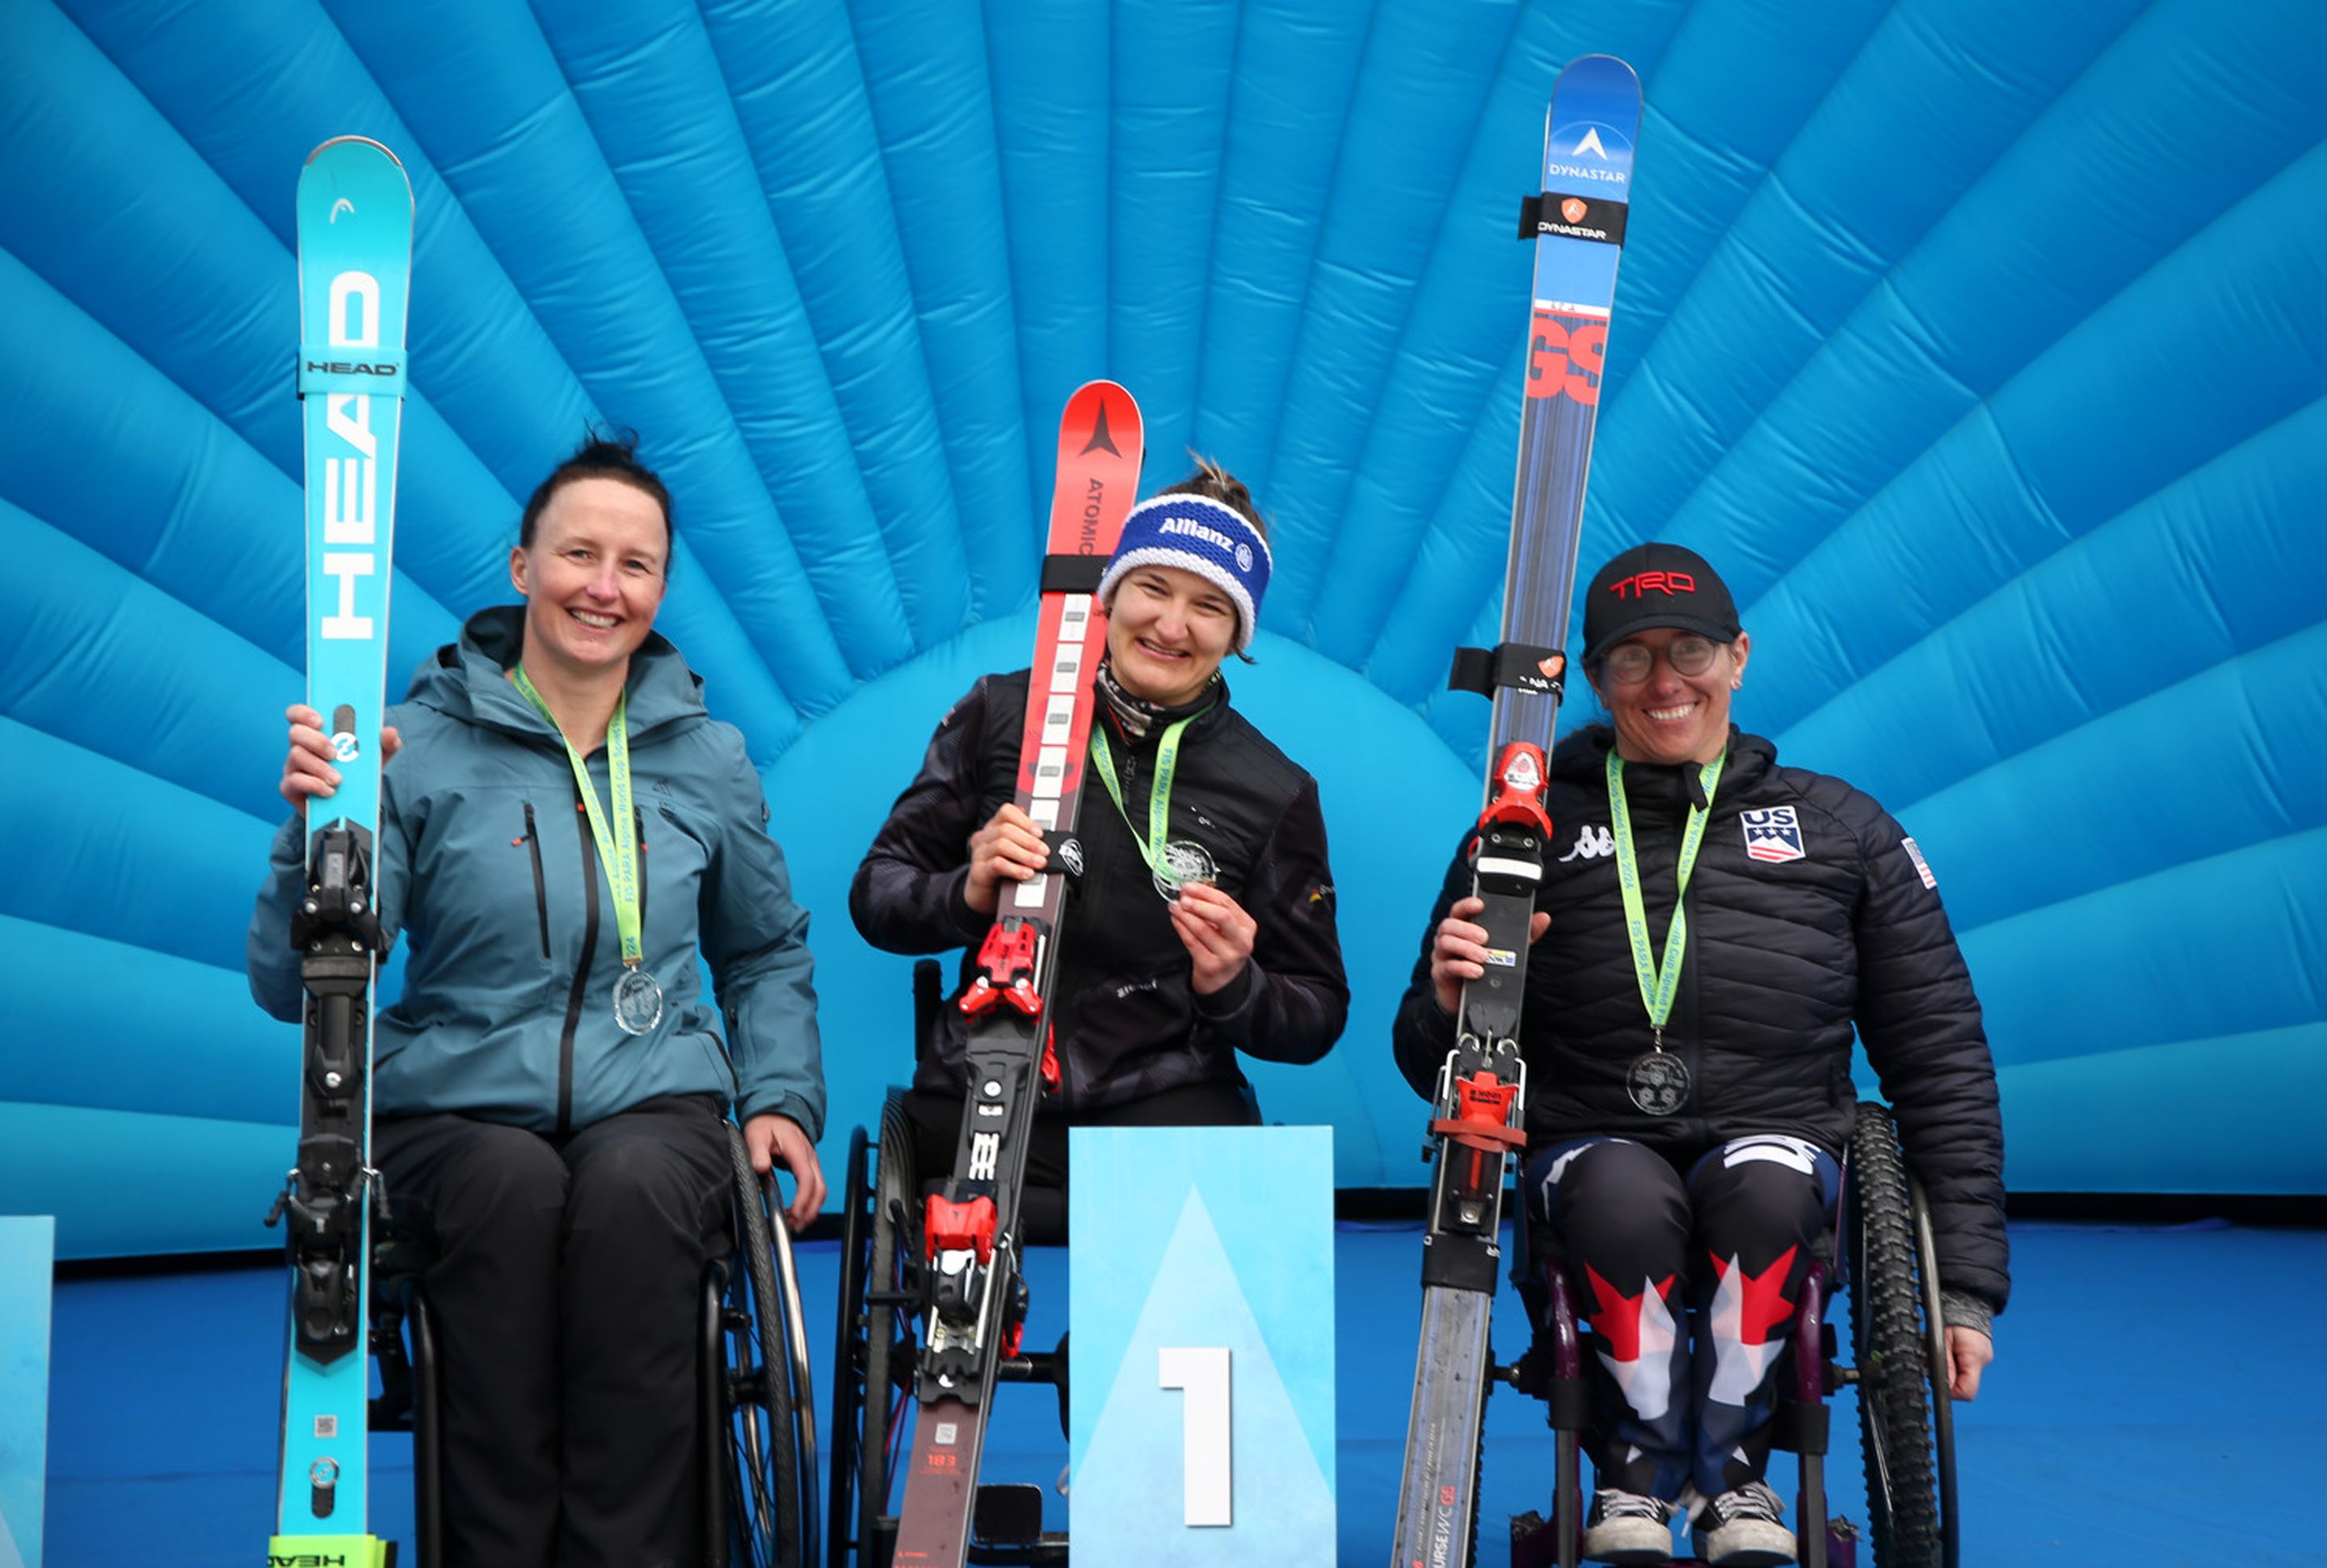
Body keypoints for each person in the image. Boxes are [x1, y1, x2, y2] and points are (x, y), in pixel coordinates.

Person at [247, 434, 826, 1568]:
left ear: (661, 590)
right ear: (521, 567)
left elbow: (762, 953)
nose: (604, 588)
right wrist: (312, 834)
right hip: (457, 1104)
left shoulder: (709, 757)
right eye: (579, 553)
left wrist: (781, 1097)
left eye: (636, 565)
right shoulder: (413, 749)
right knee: (508, 1192)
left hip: (652, 1095)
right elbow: (294, 984)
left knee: (634, 1189)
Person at [1391, 542, 2007, 1567]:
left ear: (1739, 656)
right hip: (1590, 1136)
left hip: (1779, 1137)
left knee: (1765, 1192)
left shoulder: (1841, 829)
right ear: (1594, 680)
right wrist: (1451, 1000)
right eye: (1631, 659)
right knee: (1619, 1198)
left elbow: (1938, 1053)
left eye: (1690, 651)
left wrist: (1965, 1291)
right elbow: (1434, 1061)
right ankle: (1634, 1479)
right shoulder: (1520, 834)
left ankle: (1738, 1484)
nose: (1665, 681)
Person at [851, 460, 1348, 1198]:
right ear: (1109, 596)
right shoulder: (1002, 713)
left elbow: (1315, 1012)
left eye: (1209, 606)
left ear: (1237, 634)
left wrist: (1235, 985)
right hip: (983, 1080)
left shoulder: (1274, 788)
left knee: (1228, 1200)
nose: (1171, 625)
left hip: (1163, 1105)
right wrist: (968, 891)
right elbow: (877, 894)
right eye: (1153, 588)